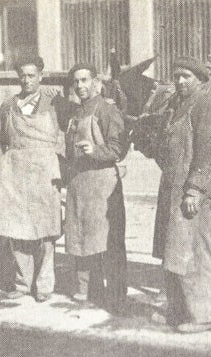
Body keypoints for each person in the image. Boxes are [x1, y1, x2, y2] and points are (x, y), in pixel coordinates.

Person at [152, 56, 211, 333]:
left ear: (200, 79)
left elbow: (207, 154)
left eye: (187, 77)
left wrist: (195, 189)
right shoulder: (178, 105)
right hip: (173, 187)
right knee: (174, 250)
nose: (180, 81)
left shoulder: (206, 104)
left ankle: (206, 316)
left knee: (197, 252)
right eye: (177, 76)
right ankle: (179, 310)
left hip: (192, 191)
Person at [0, 56, 63, 302]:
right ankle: (22, 283)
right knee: (16, 230)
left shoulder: (54, 103)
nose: (26, 80)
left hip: (44, 173)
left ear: (41, 75)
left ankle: (44, 285)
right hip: (14, 174)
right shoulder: (9, 105)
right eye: (23, 76)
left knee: (46, 231)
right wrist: (1, 163)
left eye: (32, 75)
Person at [64, 63, 128, 307]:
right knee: (81, 237)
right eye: (76, 82)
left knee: (108, 241)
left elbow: (118, 149)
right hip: (79, 182)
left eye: (84, 80)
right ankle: (88, 290)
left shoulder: (107, 110)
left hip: (102, 182)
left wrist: (95, 150)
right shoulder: (75, 113)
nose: (80, 86)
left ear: (96, 82)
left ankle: (116, 294)